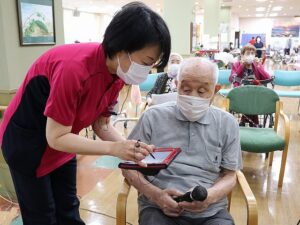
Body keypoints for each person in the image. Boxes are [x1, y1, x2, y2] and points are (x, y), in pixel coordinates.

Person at [0, 2, 170, 225]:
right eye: (146, 62)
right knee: (42, 216)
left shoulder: (117, 74)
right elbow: (56, 137)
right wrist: (114, 149)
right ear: (122, 47)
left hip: (64, 142)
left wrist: (133, 150)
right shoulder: (74, 68)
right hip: (28, 145)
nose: (147, 70)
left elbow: (102, 125)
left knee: (69, 209)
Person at [123, 57, 242, 225]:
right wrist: (156, 195)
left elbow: (230, 175)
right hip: (158, 208)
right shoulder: (153, 117)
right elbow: (128, 166)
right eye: (185, 89)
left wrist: (209, 197)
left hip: (210, 212)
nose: (192, 97)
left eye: (201, 92)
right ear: (176, 85)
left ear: (215, 90)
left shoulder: (227, 123)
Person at [229, 44, 271, 126]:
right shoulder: (237, 64)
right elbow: (232, 78)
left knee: (253, 97)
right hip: (241, 93)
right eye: (248, 53)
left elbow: (267, 77)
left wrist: (259, 66)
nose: (250, 55)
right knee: (250, 98)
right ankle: (254, 123)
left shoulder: (256, 64)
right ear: (242, 55)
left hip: (255, 93)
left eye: (252, 53)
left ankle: (244, 121)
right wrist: (242, 66)